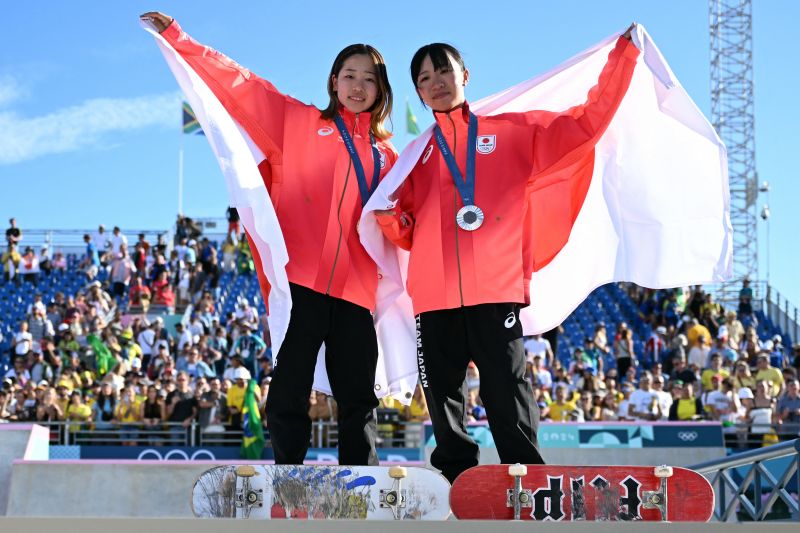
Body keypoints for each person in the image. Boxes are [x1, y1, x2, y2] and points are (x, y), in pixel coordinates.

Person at [374, 27, 638, 482]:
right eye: (424, 78)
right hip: (434, 297)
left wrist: (624, 59)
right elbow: (406, 230)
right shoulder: (416, 155)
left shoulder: (513, 132)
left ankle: (526, 475)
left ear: (465, 75)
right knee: (443, 394)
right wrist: (388, 218)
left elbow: (585, 127)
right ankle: (455, 479)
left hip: (495, 289)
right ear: (417, 91)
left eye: (443, 71)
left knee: (506, 388)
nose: (435, 82)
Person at [142, 11, 397, 466]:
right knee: (290, 385)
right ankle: (288, 473)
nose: (358, 86)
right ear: (333, 81)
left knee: (358, 394)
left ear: (381, 90)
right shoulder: (297, 124)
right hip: (301, 282)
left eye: (370, 79)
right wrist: (180, 39)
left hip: (359, 293)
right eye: (349, 75)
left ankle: (364, 481)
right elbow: (241, 86)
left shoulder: (389, 155)